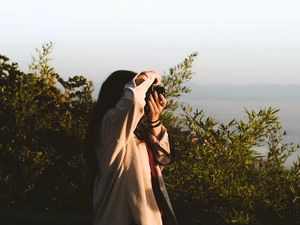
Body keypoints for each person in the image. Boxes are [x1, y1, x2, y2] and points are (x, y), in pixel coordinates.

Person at [85, 70, 178, 225]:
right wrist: (149, 76)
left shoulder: (135, 134)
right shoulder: (109, 128)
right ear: (120, 94)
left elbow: (165, 157)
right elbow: (134, 100)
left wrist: (154, 121)